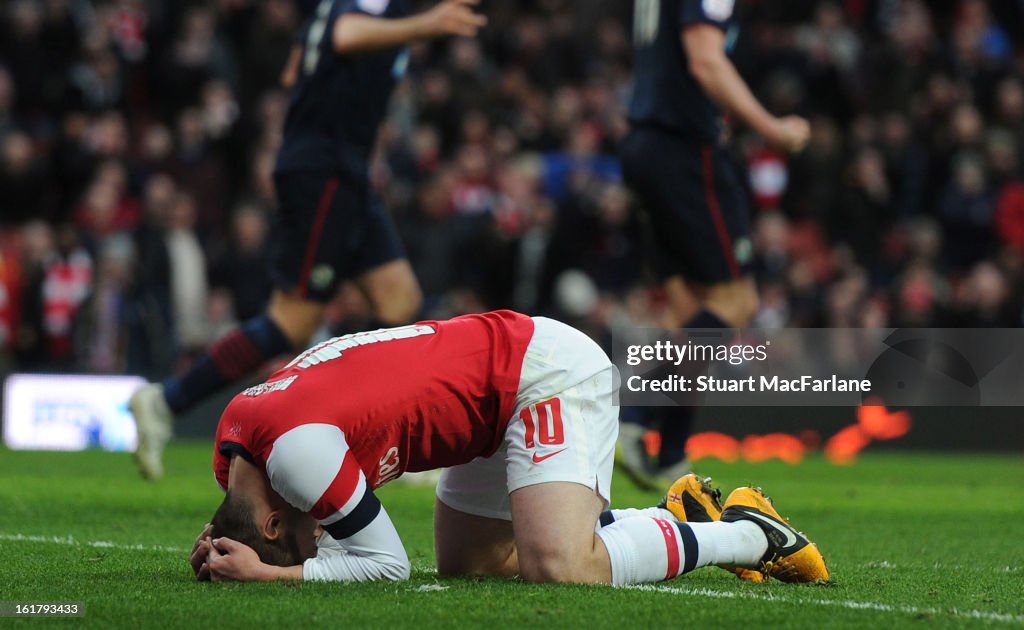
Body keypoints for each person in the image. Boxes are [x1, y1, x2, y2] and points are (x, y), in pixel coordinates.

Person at [129, 0, 487, 479]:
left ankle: (403, 445)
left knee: (401, 306)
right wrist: (429, 24)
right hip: (322, 170)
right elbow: (345, 35)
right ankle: (165, 401)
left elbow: (305, 56)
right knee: (290, 322)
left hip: (342, 170)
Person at [188, 310, 829, 586]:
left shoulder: (293, 456)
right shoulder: (238, 448)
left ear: (274, 518)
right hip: (487, 399)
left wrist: (271, 570)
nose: (318, 535)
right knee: (477, 565)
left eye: (299, 534)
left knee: (560, 566)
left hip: (539, 372)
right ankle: (677, 520)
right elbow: (253, 511)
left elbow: (386, 565)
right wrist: (227, 538)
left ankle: (749, 535)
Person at [617, 0, 809, 487]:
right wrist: (772, 128)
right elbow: (704, 60)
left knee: (686, 307)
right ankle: (632, 415)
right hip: (683, 147)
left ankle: (667, 452)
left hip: (646, 141)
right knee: (734, 298)